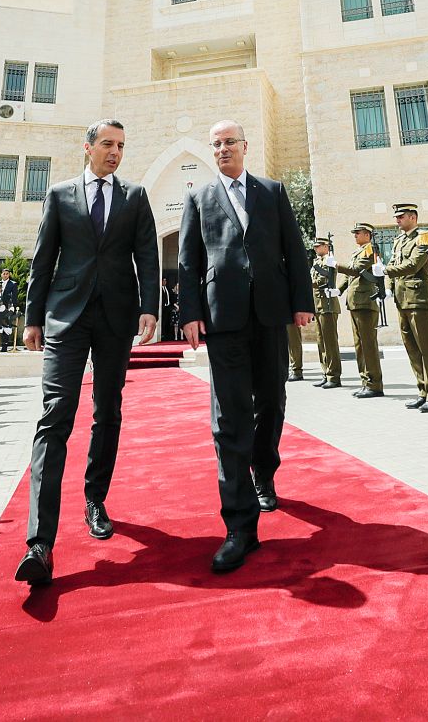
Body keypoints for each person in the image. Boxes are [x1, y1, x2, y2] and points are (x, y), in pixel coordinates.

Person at [16, 120, 160, 586]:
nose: (115, 152)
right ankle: (40, 542)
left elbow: (147, 257)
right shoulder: (59, 194)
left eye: (121, 145)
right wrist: (32, 317)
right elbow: (43, 257)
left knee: (108, 410)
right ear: (88, 148)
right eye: (107, 144)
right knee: (55, 414)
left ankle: (95, 499)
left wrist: (148, 309)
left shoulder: (134, 197)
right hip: (66, 316)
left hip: (116, 318)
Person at [177, 119, 314, 574]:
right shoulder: (199, 198)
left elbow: (293, 249)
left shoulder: (271, 191)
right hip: (223, 319)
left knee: (272, 403)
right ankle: (240, 527)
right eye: (214, 144)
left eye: (229, 142)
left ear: (244, 146)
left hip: (271, 313)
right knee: (229, 417)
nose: (221, 149)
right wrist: (190, 313)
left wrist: (301, 302)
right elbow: (188, 261)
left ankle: (265, 473)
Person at [381, 203, 428, 412]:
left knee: (427, 349)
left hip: (419, 298)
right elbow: (396, 262)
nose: (397, 220)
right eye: (396, 217)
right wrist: (389, 286)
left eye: (401, 217)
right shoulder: (399, 240)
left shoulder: (423, 237)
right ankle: (423, 391)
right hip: (402, 300)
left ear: (413, 217)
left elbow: (414, 265)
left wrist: (386, 271)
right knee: (412, 349)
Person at [334, 224, 385, 396]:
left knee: (368, 345)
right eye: (354, 233)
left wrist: (336, 265)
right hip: (355, 302)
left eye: (358, 233)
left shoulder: (371, 250)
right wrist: (339, 290)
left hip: (365, 302)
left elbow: (356, 271)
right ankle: (366, 382)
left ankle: (374, 384)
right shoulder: (358, 251)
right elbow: (350, 276)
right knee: (360, 345)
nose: (355, 236)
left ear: (367, 234)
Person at [309, 238, 343, 388]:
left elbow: (323, 280)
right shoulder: (317, 262)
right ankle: (326, 372)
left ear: (326, 246)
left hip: (328, 306)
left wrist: (306, 282)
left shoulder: (329, 261)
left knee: (330, 343)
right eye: (315, 246)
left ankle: (334, 376)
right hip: (318, 306)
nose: (316, 248)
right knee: (320, 342)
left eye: (319, 246)